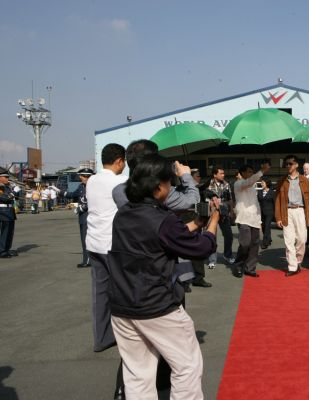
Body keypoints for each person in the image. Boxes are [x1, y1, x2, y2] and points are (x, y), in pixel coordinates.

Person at [109, 154, 219, 400]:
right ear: (159, 187)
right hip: (157, 305)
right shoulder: (163, 219)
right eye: (169, 183)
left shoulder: (123, 214)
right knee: (187, 367)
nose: (170, 188)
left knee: (138, 374)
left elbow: (162, 239)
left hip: (122, 305)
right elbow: (202, 248)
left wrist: (194, 224)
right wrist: (212, 223)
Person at [85, 144, 127, 354]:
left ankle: (101, 338)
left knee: (99, 293)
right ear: (119, 160)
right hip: (112, 244)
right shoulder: (119, 181)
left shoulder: (92, 180)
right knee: (123, 291)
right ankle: (127, 336)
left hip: (93, 242)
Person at [275, 155, 309, 276]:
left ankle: (298, 261)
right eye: (286, 164)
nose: (288, 166)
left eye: (290, 163)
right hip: (287, 212)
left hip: (301, 211)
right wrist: (278, 217)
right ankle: (292, 267)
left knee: (302, 239)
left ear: (296, 165)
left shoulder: (305, 180)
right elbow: (278, 200)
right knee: (288, 241)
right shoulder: (282, 181)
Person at [234, 163, 270, 278]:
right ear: (242, 173)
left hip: (254, 219)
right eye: (249, 171)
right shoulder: (239, 184)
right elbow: (248, 182)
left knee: (255, 245)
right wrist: (262, 171)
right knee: (245, 243)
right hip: (243, 218)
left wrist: (259, 221)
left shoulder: (253, 187)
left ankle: (250, 268)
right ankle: (239, 265)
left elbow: (256, 205)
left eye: (252, 172)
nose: (251, 174)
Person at [64, 168, 94, 268]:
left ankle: (88, 260)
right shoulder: (81, 186)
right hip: (82, 217)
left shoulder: (93, 187)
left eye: (82, 176)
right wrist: (59, 192)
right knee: (83, 239)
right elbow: (72, 195)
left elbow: (93, 201)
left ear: (88, 176)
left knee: (87, 239)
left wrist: (82, 208)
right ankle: (86, 259)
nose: (80, 177)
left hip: (89, 217)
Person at [206, 166, 235, 266]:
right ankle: (212, 259)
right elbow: (204, 197)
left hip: (224, 213)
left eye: (223, 173)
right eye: (221, 173)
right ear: (215, 174)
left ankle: (227, 255)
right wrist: (211, 201)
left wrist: (231, 211)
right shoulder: (208, 184)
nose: (223, 175)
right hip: (212, 213)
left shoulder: (227, 184)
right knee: (212, 236)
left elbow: (230, 199)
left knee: (229, 235)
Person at [188, 169, 212, 287]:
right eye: (197, 176)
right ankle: (185, 281)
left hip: (197, 222)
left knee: (196, 250)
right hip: (187, 222)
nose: (199, 178)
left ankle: (198, 277)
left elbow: (204, 186)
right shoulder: (184, 188)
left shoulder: (199, 188)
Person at [0, 168, 17, 258]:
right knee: (4, 232)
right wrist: (14, 192)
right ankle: (2, 251)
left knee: (10, 232)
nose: (7, 179)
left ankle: (6, 249)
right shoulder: (0, 187)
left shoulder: (7, 187)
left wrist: (16, 190)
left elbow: (15, 198)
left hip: (10, 212)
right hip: (3, 212)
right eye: (5, 177)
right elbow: (5, 198)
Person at [257, 176, 275, 250]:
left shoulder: (272, 192)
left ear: (267, 183)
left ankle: (265, 243)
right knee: (264, 227)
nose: (261, 184)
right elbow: (258, 202)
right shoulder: (260, 192)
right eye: (261, 182)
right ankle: (269, 239)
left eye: (263, 182)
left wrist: (275, 213)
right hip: (262, 212)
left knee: (267, 226)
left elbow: (274, 203)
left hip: (269, 212)